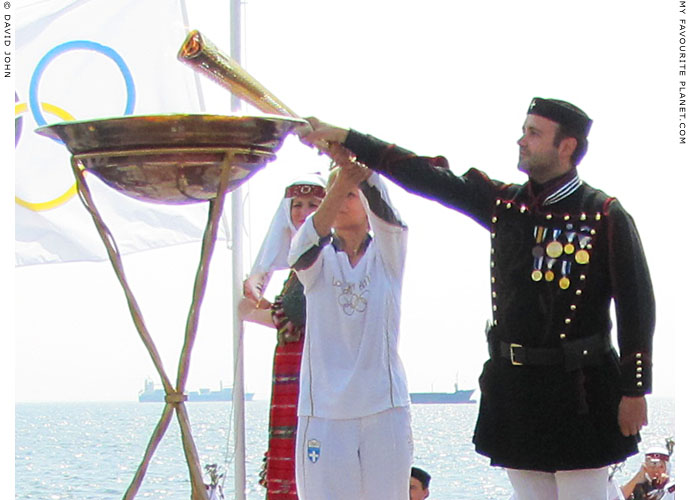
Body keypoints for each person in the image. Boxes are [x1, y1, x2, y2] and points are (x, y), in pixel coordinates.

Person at [300, 97, 655, 500]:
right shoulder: (506, 204)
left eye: (533, 133)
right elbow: (427, 175)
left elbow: (637, 305)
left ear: (567, 146)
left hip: (581, 391)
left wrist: (634, 390)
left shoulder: (603, 215)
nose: (521, 140)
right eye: (524, 130)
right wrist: (350, 140)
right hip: (517, 387)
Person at [287, 145, 413, 500]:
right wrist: (342, 179)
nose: (342, 200)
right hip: (324, 411)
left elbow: (389, 214)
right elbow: (299, 252)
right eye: (334, 193)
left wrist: (362, 171)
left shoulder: (388, 253)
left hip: (384, 407)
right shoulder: (317, 261)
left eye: (351, 194)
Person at [238, 173, 326, 500]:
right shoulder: (296, 265)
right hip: (294, 369)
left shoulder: (328, 254)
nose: (304, 212)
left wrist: (253, 313)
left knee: (311, 454)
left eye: (314, 205)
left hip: (317, 372)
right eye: (297, 205)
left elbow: (300, 315)